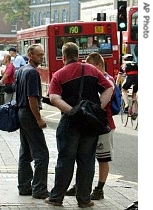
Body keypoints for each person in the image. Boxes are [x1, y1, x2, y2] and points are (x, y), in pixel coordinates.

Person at [44, 42, 113, 208]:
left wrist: (72, 111)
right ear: (78, 55)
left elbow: (53, 98)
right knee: (87, 161)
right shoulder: (92, 70)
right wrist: (97, 108)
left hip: (70, 122)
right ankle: (84, 200)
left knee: (65, 160)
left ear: (64, 57)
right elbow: (109, 88)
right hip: (90, 123)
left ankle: (56, 198)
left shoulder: (59, 75)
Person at [65, 52, 116, 200]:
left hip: (103, 125)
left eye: (91, 66)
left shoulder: (108, 80)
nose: (88, 69)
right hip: (91, 124)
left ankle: (99, 189)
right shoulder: (93, 79)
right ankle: (79, 185)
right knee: (84, 157)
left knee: (102, 158)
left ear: (99, 65)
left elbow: (101, 101)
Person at [16, 44, 49, 199]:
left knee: (25, 152)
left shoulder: (21, 70)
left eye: (42, 55)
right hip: (29, 114)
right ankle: (39, 189)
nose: (41, 57)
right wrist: (39, 118)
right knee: (42, 154)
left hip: (21, 113)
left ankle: (24, 187)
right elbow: (32, 98)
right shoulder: (32, 73)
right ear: (30, 55)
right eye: (39, 55)